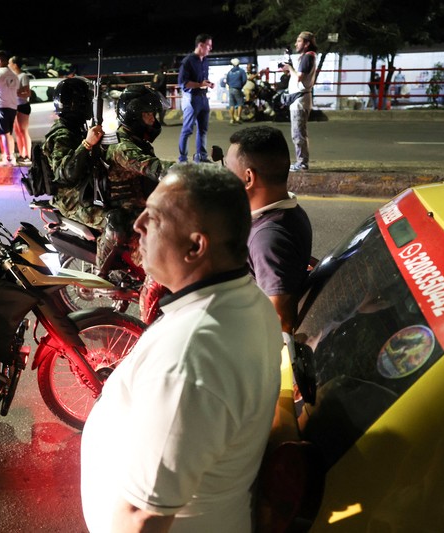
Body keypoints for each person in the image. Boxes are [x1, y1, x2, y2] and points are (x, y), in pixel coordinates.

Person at [81, 163, 283, 533]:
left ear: (195, 246)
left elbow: (143, 518)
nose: (137, 225)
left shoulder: (189, 358)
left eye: (153, 217)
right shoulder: (245, 300)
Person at [226, 125, 312, 333]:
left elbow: (280, 320)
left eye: (228, 170)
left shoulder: (267, 237)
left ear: (248, 177)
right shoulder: (291, 210)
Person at [100, 85, 171, 268]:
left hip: (145, 203)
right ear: (133, 115)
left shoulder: (136, 140)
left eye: (152, 114)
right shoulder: (122, 146)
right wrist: (189, 170)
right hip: (128, 211)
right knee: (157, 263)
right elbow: (152, 167)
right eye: (147, 115)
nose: (152, 120)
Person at [43, 77, 106, 229]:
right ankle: (102, 253)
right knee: (115, 223)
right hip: (70, 198)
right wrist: (87, 144)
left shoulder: (76, 127)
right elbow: (65, 173)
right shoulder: (62, 134)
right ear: (77, 104)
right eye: (88, 100)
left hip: (84, 189)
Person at [282, 31, 317, 172]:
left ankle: (302, 163)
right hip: (300, 98)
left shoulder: (308, 57)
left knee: (298, 133)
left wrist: (289, 66)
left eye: (299, 41)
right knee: (298, 132)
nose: (296, 44)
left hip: (300, 100)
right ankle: (301, 161)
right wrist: (289, 68)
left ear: (307, 43)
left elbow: (299, 78)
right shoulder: (307, 57)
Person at [177, 34, 215, 163]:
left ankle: (201, 157)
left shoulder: (205, 60)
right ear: (201, 45)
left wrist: (208, 84)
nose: (211, 48)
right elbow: (183, 83)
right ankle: (182, 159)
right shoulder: (188, 61)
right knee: (187, 130)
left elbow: (202, 80)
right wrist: (200, 85)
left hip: (203, 98)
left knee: (203, 129)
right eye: (209, 45)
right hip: (191, 98)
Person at [9, 56, 32, 164]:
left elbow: (27, 92)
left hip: (23, 105)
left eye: (10, 63)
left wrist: (16, 92)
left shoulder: (23, 76)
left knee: (23, 131)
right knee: (17, 131)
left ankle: (28, 155)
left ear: (15, 64)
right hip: (14, 106)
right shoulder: (12, 76)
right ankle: (22, 154)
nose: (9, 65)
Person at [226, 58, 247, 124]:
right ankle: (238, 117)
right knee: (240, 103)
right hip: (237, 89)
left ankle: (232, 119)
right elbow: (244, 80)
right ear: (238, 64)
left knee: (231, 105)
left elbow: (227, 81)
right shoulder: (241, 71)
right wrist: (241, 85)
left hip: (231, 89)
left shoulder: (230, 72)